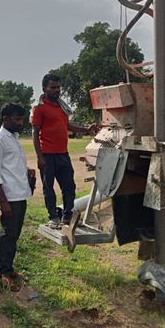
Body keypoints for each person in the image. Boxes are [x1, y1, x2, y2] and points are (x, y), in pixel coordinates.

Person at [31, 73, 100, 229]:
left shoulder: (62, 108)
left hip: (63, 154)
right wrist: (39, 157)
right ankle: (53, 218)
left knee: (69, 186)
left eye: (58, 87)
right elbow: (35, 133)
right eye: (53, 87)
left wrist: (86, 129)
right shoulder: (39, 108)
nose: (57, 90)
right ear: (44, 89)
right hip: (47, 155)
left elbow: (67, 126)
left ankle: (67, 216)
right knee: (49, 188)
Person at [0, 103, 34, 292]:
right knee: (8, 236)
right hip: (9, 197)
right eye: (17, 119)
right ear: (5, 119)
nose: (21, 123)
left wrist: (28, 171)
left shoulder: (13, 138)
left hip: (19, 194)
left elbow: (12, 166)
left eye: (21, 119)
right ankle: (2, 273)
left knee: (14, 235)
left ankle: (9, 268)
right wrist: (4, 202)